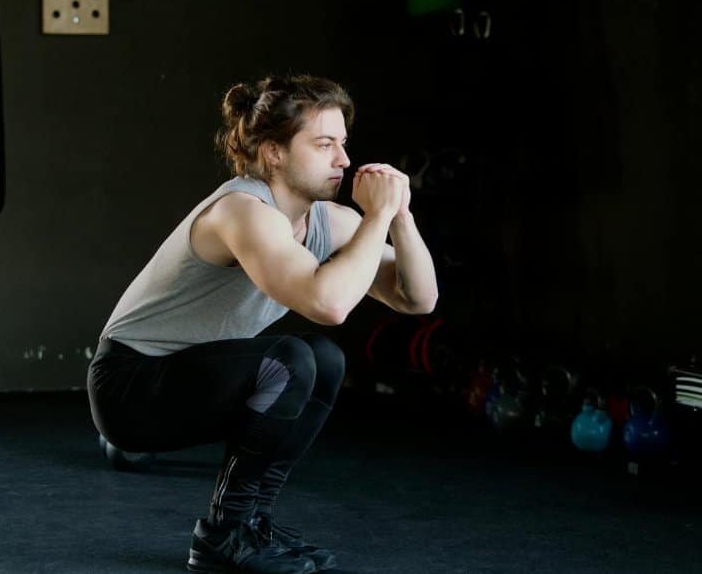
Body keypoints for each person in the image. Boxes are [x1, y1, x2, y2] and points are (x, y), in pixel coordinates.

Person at [87, 75, 439, 573]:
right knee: (290, 360)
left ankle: (252, 523)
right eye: (324, 144)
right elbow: (329, 306)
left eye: (343, 143)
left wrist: (399, 217)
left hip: (193, 377)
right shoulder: (242, 211)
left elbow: (418, 298)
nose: (343, 159)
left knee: (324, 358)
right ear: (274, 153)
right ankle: (222, 533)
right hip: (128, 388)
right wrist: (376, 218)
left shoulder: (325, 221)